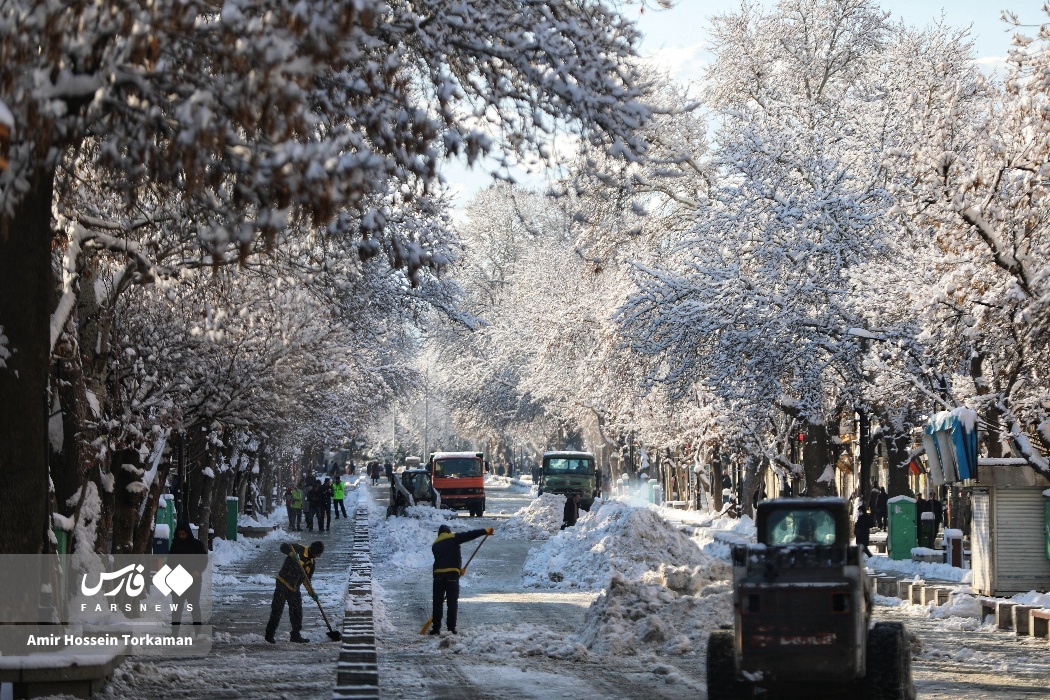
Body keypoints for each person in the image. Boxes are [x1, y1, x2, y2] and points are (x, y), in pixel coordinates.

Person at [430, 524, 492, 635]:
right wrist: (484, 531)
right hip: (452, 575)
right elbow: (470, 535)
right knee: (452, 602)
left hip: (438, 576)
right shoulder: (453, 537)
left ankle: (436, 628)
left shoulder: (435, 544)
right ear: (448, 532)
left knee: (437, 602)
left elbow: (443, 559)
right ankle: (451, 628)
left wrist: (459, 570)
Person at [264, 540, 324, 644]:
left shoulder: (311, 564)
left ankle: (295, 635)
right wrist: (292, 554)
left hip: (294, 588)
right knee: (277, 609)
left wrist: (312, 593)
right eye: (317, 554)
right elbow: (283, 546)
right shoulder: (299, 548)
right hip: (283, 582)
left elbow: (306, 580)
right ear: (313, 550)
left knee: (297, 612)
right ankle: (269, 634)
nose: (317, 556)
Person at [168, 520, 208, 635]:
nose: (181, 536)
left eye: (183, 534)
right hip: (178, 581)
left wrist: (198, 571)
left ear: (188, 533)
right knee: (177, 608)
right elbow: (170, 562)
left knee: (194, 605)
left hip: (193, 581)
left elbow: (203, 560)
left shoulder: (196, 545)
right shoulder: (175, 545)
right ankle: (174, 633)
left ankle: (197, 631)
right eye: (179, 534)